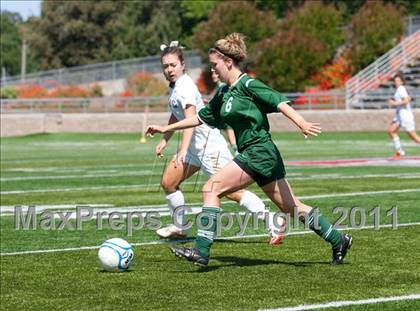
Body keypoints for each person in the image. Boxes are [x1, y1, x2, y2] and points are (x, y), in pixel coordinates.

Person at [147, 33, 352, 266]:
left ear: (228, 62)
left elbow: (279, 101)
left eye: (215, 65)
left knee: (211, 189)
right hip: (262, 155)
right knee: (292, 207)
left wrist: (302, 123)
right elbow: (198, 119)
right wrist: (167, 127)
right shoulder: (224, 93)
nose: (213, 70)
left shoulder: (248, 84)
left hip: (259, 151)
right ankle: (339, 240)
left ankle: (201, 251)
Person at [154, 41, 283, 245]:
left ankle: (272, 221)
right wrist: (164, 139)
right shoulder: (176, 87)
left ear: (182, 65)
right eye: (165, 66)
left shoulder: (185, 86)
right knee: (168, 183)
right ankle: (179, 227)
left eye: (173, 65)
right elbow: (175, 114)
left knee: (231, 192)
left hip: (208, 147)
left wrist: (183, 150)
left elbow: (191, 119)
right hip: (195, 149)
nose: (169, 70)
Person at [388, 73, 420, 158]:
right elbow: (406, 98)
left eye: (398, 80)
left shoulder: (401, 89)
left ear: (402, 82)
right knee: (391, 130)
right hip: (399, 116)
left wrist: (395, 103)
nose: (396, 82)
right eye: (395, 80)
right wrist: (393, 100)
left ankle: (400, 152)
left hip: (405, 116)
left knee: (413, 136)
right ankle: (400, 152)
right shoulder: (399, 90)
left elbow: (406, 101)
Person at [209, 71, 239, 156]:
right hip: (220, 115)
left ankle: (236, 151)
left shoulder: (223, 86)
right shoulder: (219, 86)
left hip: (224, 115)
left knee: (228, 130)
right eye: (212, 74)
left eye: (215, 73)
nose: (213, 76)